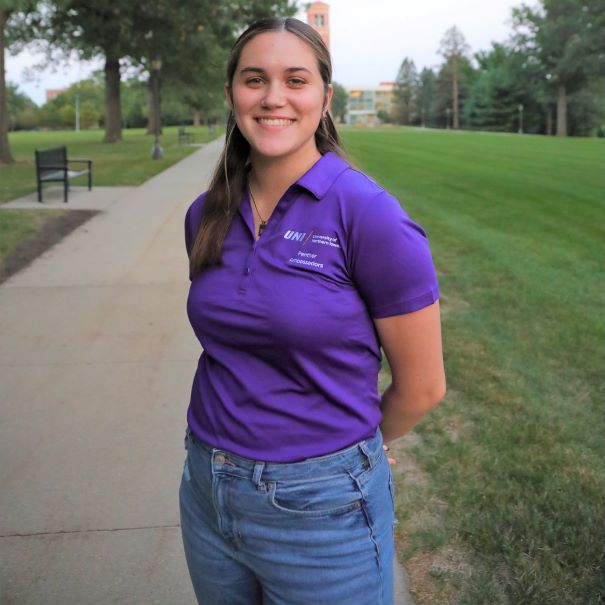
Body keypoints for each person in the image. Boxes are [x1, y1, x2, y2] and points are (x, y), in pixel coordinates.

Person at [179, 16, 445, 605]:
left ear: (324, 98)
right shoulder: (208, 213)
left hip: (323, 509)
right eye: (255, 79)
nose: (273, 97)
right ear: (232, 95)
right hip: (206, 488)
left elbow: (423, 386)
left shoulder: (369, 216)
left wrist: (356, 458)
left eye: (295, 80)